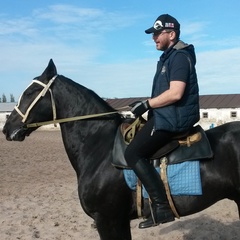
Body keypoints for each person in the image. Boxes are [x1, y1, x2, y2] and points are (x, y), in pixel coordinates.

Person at [124, 14, 200, 229]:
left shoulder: (178, 57)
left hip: (173, 119)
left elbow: (176, 94)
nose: (154, 38)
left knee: (133, 153)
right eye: (153, 34)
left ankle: (162, 207)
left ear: (172, 34)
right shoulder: (168, 57)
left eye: (158, 33)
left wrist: (147, 104)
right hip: (165, 115)